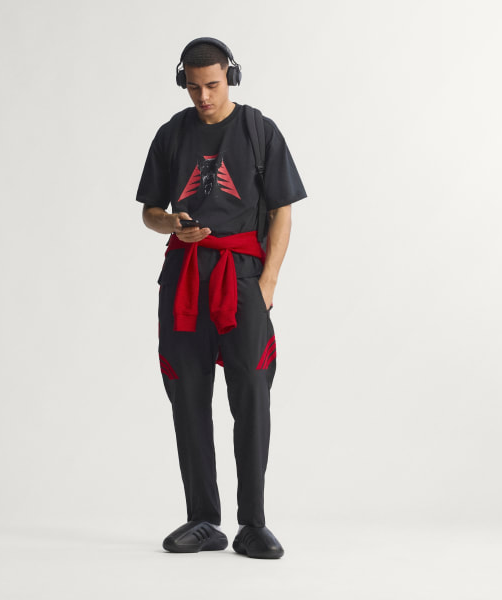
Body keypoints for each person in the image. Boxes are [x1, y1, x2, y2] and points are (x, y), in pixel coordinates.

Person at [135, 37, 306, 559]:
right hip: (184, 277)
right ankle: (203, 519)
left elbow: (281, 209)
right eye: (193, 87)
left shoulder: (258, 130)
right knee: (187, 394)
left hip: (243, 278)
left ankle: (252, 523)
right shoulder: (171, 134)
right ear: (182, 82)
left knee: (251, 393)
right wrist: (171, 223)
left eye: (212, 84)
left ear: (231, 76)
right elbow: (149, 212)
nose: (203, 96)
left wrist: (268, 284)